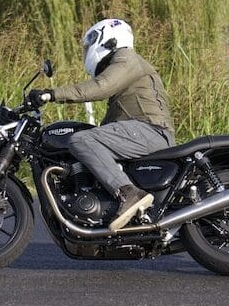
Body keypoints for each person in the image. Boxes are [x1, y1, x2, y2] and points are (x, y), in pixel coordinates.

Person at [28, 19, 175, 230]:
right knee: (89, 139)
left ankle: (129, 193)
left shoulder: (125, 58)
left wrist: (51, 94)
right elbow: (111, 122)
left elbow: (100, 87)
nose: (88, 49)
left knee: (80, 139)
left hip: (150, 131)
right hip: (141, 132)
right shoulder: (122, 65)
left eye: (91, 42)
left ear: (109, 39)